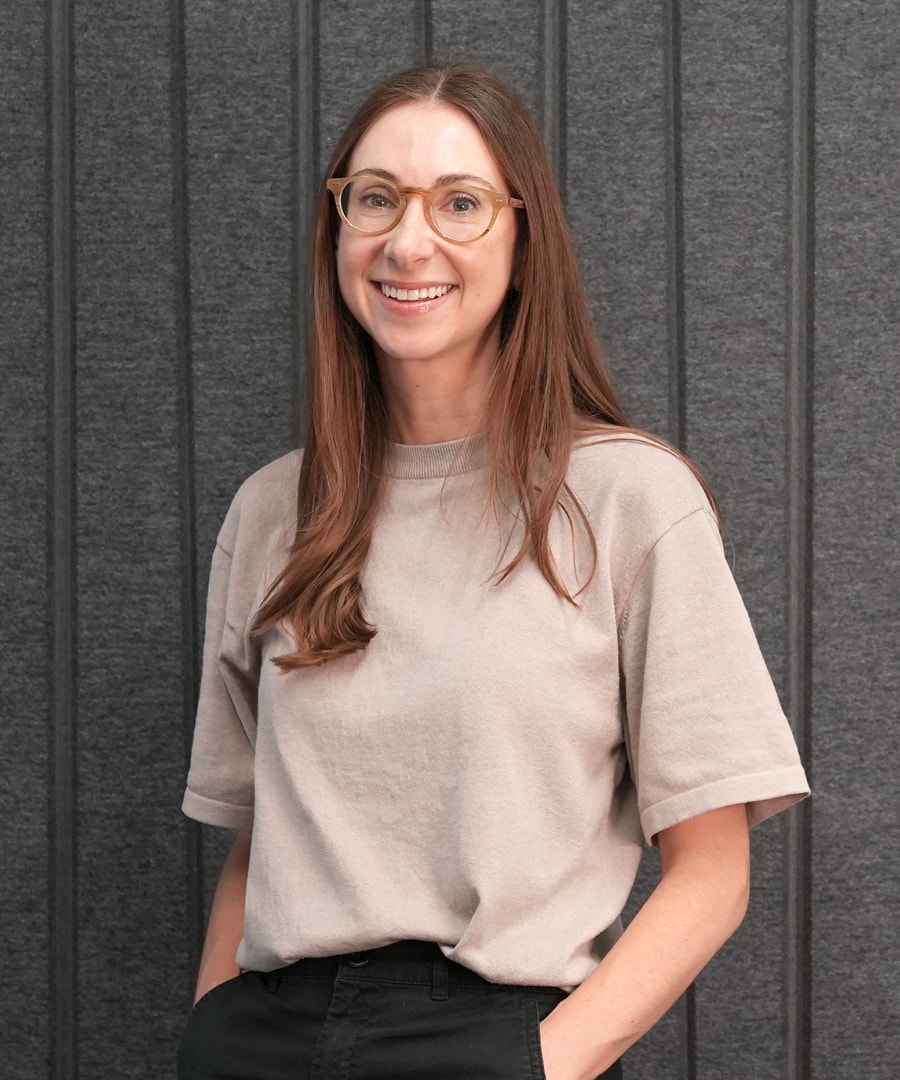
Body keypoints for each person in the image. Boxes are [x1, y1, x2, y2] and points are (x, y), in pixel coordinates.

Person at [177, 64, 809, 1080]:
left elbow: (712, 874)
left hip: (488, 1038)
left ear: (523, 246)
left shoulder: (630, 502)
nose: (408, 240)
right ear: (338, 230)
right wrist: (209, 1033)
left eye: (460, 203)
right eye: (374, 197)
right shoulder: (272, 511)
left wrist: (542, 1067)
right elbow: (263, 844)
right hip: (262, 1038)